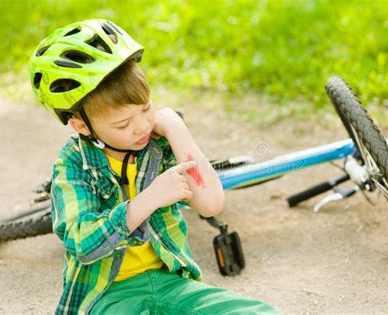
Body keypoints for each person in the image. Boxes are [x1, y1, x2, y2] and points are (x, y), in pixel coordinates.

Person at [29, 19, 279, 314]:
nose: (142, 126)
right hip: (107, 295)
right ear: (82, 125)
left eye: (146, 108)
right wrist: (149, 199)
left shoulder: (158, 146)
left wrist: (176, 130)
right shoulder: (73, 163)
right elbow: (83, 243)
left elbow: (211, 203)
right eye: (123, 123)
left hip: (169, 282)